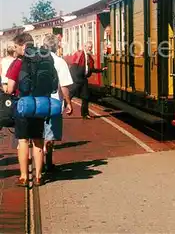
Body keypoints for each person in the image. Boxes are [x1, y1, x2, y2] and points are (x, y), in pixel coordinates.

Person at [5, 32, 59, 186]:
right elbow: (54, 84)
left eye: (16, 47)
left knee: (22, 140)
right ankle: (39, 176)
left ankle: (23, 176)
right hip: (41, 104)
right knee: (38, 141)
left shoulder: (17, 64)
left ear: (23, 45)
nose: (15, 50)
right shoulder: (44, 59)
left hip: (23, 104)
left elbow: (10, 88)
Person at [42, 34, 73, 173]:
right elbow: (64, 86)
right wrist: (68, 102)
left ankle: (38, 166)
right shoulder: (60, 62)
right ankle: (48, 163)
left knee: (38, 134)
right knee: (50, 135)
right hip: (53, 102)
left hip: (37, 102)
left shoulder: (35, 60)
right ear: (56, 46)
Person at [69, 41, 107, 119]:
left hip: (84, 78)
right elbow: (72, 67)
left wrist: (101, 70)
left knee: (86, 96)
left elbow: (91, 69)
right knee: (70, 95)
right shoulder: (79, 54)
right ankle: (60, 110)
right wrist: (75, 78)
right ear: (84, 47)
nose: (90, 48)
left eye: (91, 47)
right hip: (77, 79)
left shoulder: (89, 58)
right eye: (89, 47)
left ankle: (85, 114)